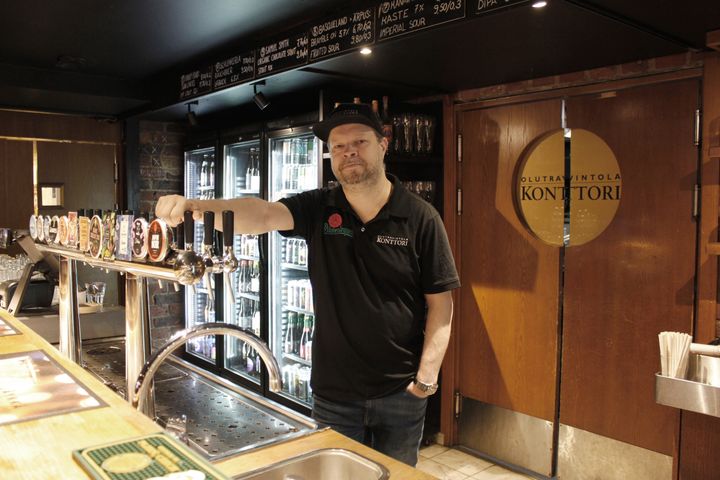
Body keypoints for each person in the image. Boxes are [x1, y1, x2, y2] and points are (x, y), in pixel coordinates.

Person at [155, 103, 460, 466]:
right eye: (339, 145)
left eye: (359, 142)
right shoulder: (318, 207)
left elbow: (442, 305)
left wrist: (425, 381)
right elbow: (263, 214)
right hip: (334, 394)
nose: (349, 153)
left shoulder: (420, 217)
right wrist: (194, 206)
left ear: (383, 144)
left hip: (400, 392)